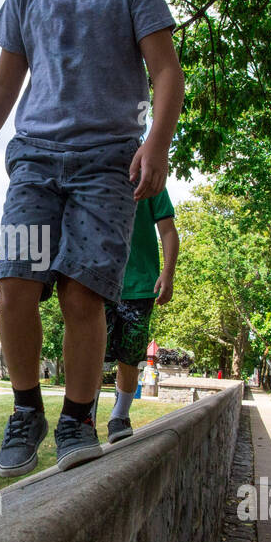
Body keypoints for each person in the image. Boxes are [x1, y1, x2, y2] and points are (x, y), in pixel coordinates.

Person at [0, 0, 184, 477]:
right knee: (16, 284)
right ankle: (26, 409)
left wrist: (156, 144)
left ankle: (79, 417)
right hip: (34, 162)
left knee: (84, 295)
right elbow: (5, 83)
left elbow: (166, 73)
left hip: (106, 168)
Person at [97, 187, 178, 443]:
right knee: (91, 350)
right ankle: (84, 416)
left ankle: (119, 416)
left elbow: (167, 230)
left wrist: (168, 273)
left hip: (141, 283)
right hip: (98, 278)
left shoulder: (151, 177)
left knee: (130, 353)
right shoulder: (94, 166)